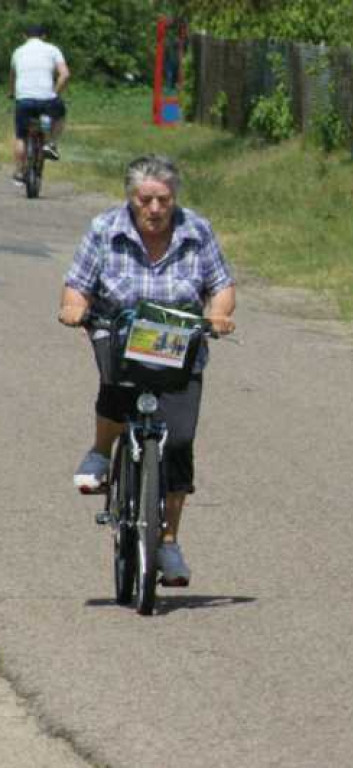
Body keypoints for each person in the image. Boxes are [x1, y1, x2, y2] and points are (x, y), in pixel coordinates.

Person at [58, 155, 236, 587]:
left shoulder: (197, 229)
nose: (155, 209)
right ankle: (102, 452)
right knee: (116, 384)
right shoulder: (104, 229)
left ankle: (168, 544)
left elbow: (221, 285)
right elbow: (77, 284)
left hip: (178, 340)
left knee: (179, 441)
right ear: (130, 198)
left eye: (163, 200)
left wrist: (220, 315)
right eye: (146, 200)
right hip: (119, 330)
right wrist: (73, 307)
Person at [8, 23, 69, 185]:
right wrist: (55, 92)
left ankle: (20, 170)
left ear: (24, 36)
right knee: (58, 115)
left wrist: (12, 93)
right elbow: (64, 74)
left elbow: (12, 78)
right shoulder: (53, 49)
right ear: (44, 36)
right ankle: (51, 144)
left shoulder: (18, 52)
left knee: (20, 136)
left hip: (24, 100)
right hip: (46, 100)